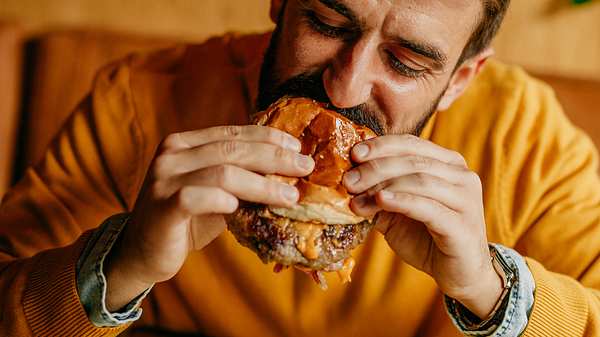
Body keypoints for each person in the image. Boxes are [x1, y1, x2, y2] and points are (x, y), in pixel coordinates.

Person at [1, 0, 599, 336]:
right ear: (280, 4)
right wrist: (118, 263)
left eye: (408, 61)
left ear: (460, 80)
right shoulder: (137, 103)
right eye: (328, 25)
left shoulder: (527, 138)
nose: (344, 89)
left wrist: (492, 290)